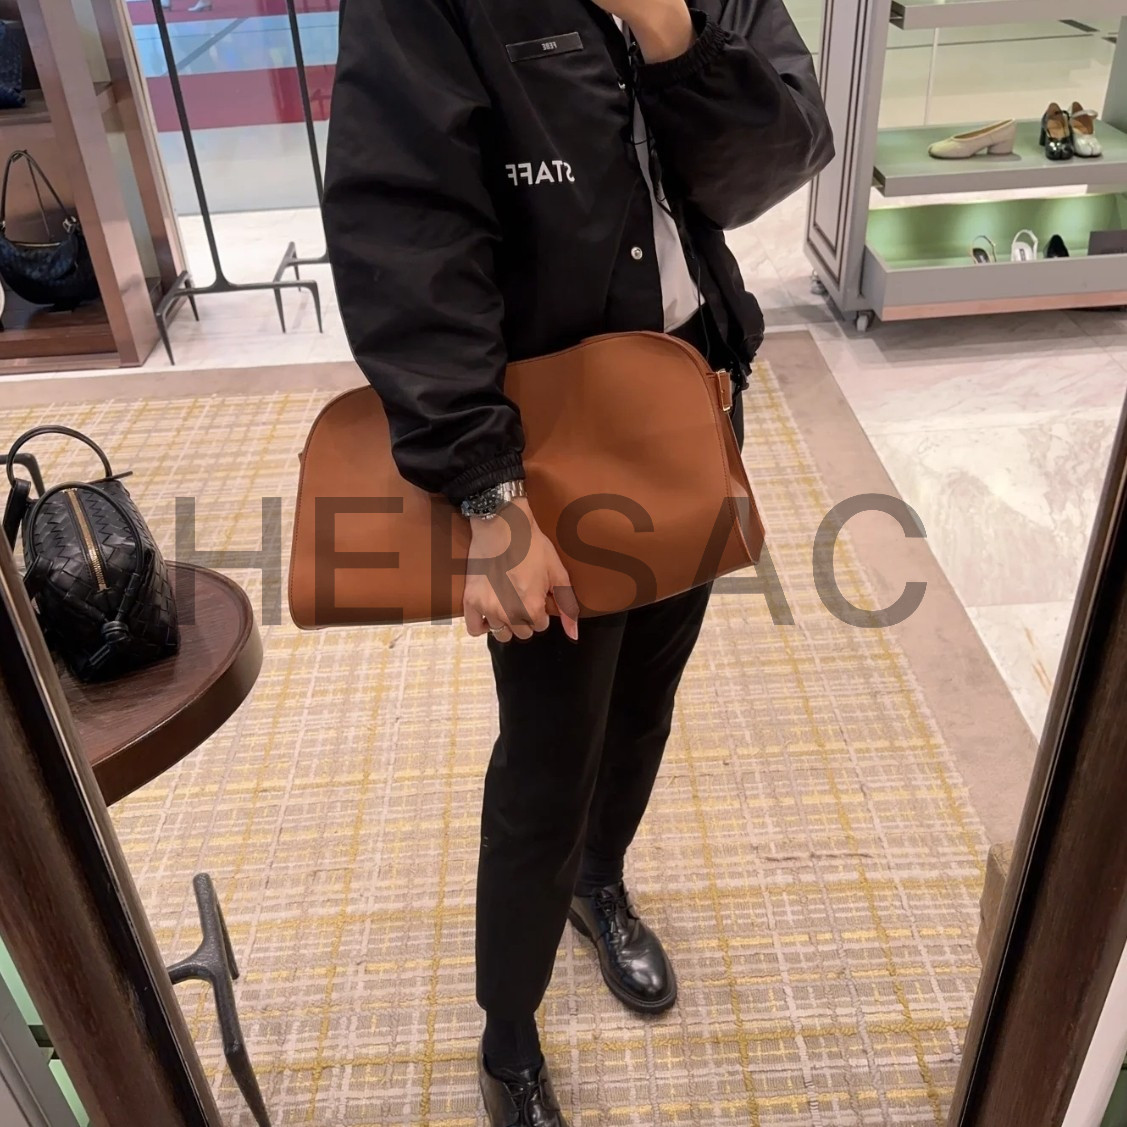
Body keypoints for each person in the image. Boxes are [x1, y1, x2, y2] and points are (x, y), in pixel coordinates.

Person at [323, 1, 832, 1122]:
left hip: (690, 392)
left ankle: (598, 882)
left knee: (648, 695)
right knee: (549, 748)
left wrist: (671, 35)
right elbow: (403, 228)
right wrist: (486, 492)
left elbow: (773, 159)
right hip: (544, 436)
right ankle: (508, 1030)